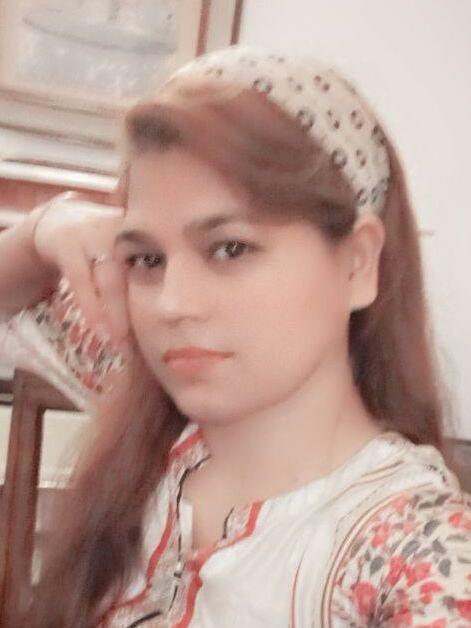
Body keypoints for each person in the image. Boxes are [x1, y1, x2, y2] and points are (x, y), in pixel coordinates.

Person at [1, 44, 470, 627]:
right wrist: (44, 229)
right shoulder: (145, 404)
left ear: (357, 262)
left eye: (230, 248)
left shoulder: (415, 553)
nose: (172, 305)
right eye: (147, 259)